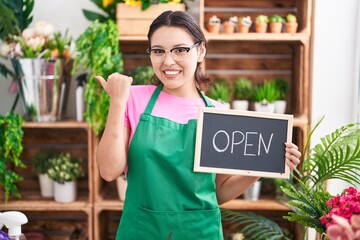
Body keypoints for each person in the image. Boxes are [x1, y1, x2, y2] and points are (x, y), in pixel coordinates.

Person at [95, 10, 301, 240]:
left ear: (200, 50)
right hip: (142, 230)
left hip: (200, 233)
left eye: (180, 50)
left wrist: (263, 167)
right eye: (158, 51)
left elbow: (219, 192)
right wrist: (117, 101)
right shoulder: (132, 99)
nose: (168, 61)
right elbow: (109, 170)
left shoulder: (218, 114)